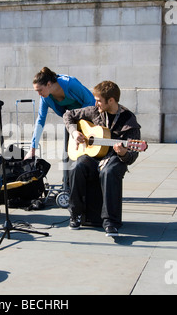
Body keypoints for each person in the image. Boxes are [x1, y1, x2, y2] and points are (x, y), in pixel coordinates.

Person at [63, 80, 141, 236]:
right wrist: (74, 132)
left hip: (115, 158)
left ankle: (110, 222)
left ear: (111, 100)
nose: (96, 103)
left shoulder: (129, 120)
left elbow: (132, 156)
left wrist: (123, 153)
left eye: (99, 100)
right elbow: (68, 115)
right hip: (94, 156)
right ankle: (75, 214)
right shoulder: (94, 111)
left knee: (108, 172)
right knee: (78, 166)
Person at [24, 67, 95, 159]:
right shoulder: (45, 98)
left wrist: (82, 125)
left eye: (40, 90)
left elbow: (90, 101)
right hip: (71, 121)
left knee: (88, 153)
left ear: (48, 84)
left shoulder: (70, 83)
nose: (39, 94)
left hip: (88, 119)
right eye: (36, 91)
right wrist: (32, 150)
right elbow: (40, 120)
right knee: (67, 155)